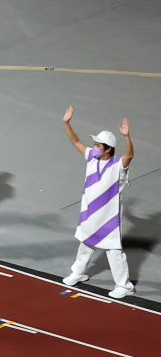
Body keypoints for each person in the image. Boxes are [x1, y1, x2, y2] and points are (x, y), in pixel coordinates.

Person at [60, 107, 136, 299]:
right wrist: (66, 123)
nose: (93, 147)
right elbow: (75, 141)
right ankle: (78, 272)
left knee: (113, 250)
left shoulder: (118, 164)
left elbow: (130, 156)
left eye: (97, 145)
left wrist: (127, 137)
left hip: (109, 217)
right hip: (90, 213)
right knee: (85, 243)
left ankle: (124, 285)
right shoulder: (91, 158)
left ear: (108, 149)